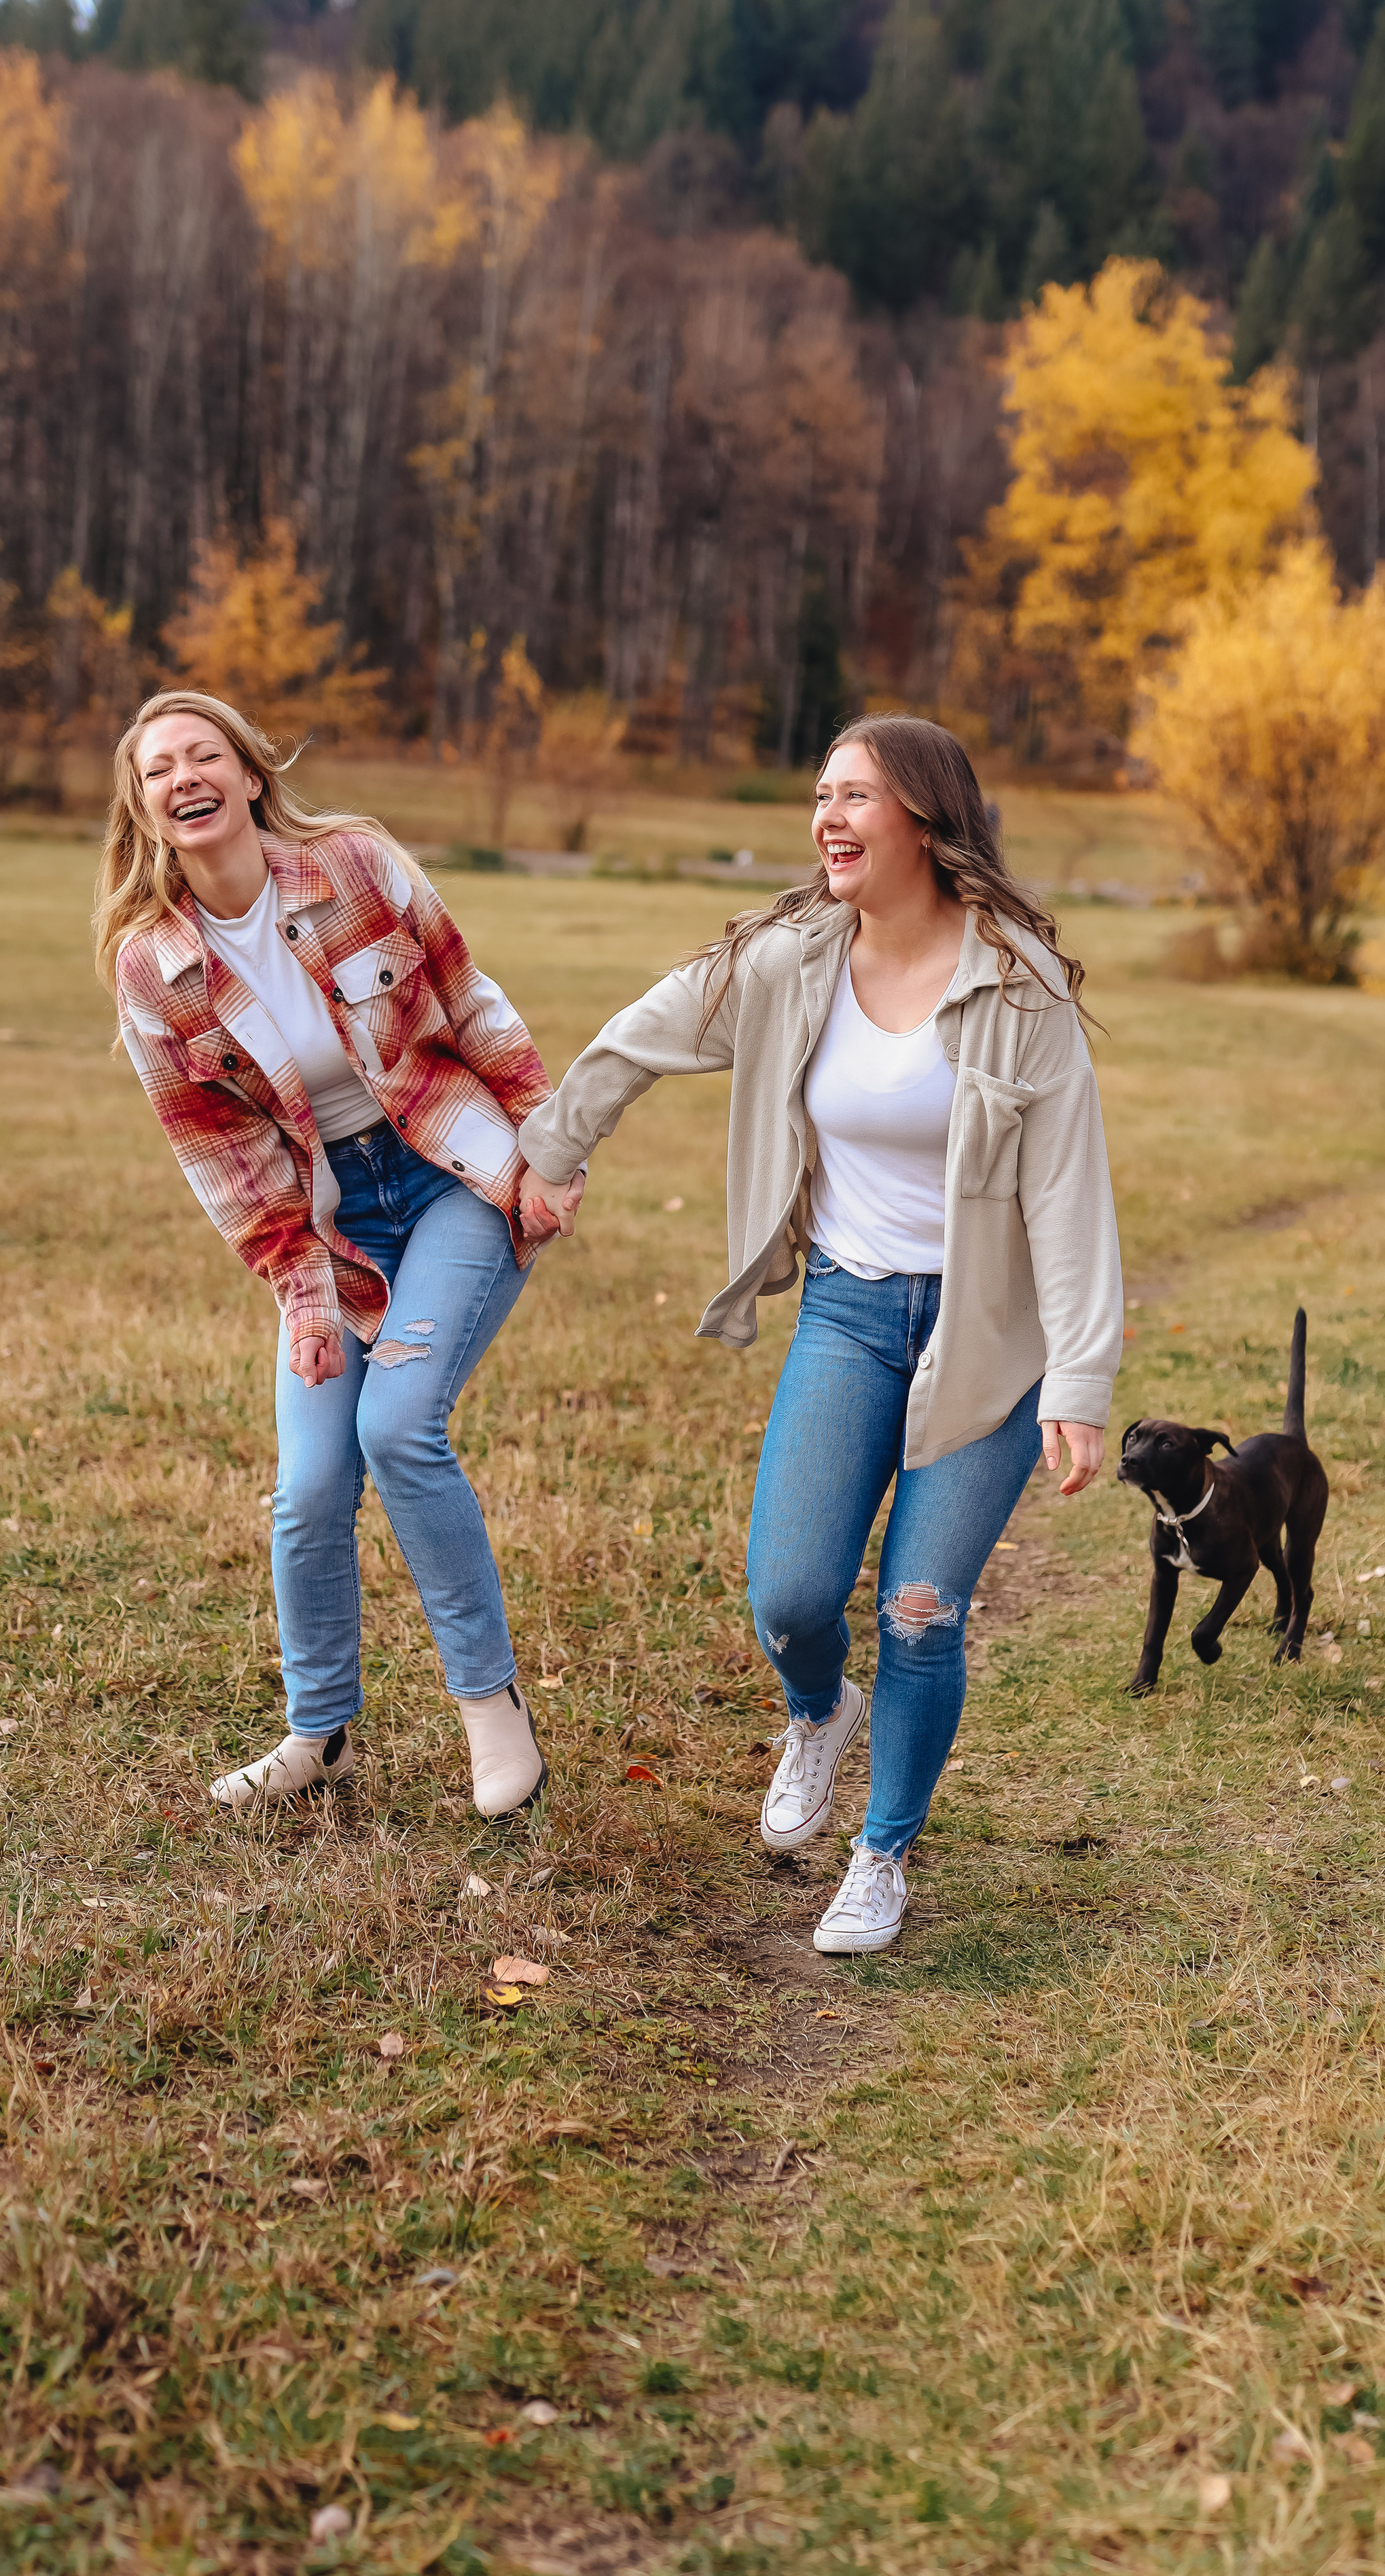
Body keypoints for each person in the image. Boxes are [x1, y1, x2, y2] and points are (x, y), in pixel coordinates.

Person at [517, 716, 1122, 1955]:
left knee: (918, 1607)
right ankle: (816, 1711)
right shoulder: (790, 961)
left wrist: (1082, 1376)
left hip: (987, 1339)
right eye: (821, 793)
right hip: (850, 1311)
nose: (827, 818)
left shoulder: (1019, 986)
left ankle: (882, 1855)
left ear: (925, 819)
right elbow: (644, 1031)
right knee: (793, 1596)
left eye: (856, 796)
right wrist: (549, 1148)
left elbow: (1070, 1194)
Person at [94, 689, 550, 1818]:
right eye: (159, 770)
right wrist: (305, 1294)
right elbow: (225, 1164)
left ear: (249, 777)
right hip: (329, 1222)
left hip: (449, 1171)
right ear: (144, 808)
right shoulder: (153, 970)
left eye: (204, 756)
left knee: (400, 1427)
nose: (183, 778)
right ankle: (320, 1735)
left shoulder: (350, 865)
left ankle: (494, 1716)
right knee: (308, 1488)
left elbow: (467, 993)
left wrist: (548, 1144)